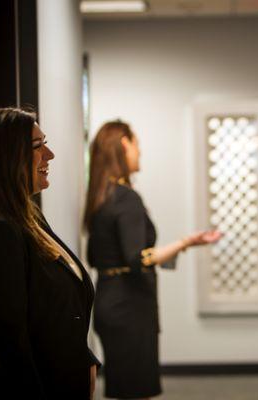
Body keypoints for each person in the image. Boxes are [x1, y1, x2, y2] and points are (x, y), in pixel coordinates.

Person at [84, 120, 221, 400]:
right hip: (130, 306)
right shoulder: (126, 198)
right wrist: (186, 242)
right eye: (137, 144)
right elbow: (139, 258)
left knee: (124, 389)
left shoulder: (101, 195)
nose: (141, 152)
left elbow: (98, 256)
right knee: (137, 392)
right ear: (125, 145)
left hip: (109, 299)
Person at [0, 108, 99, 399]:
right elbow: (10, 344)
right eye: (37, 146)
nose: (49, 154)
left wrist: (84, 359)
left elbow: (58, 313)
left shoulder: (29, 218)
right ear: (6, 157)